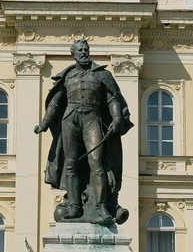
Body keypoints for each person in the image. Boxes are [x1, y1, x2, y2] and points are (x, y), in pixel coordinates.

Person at [35, 39, 133, 225]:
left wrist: (116, 118)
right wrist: (44, 124)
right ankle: (74, 206)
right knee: (70, 164)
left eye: (86, 49)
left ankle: (101, 206)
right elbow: (55, 103)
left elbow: (112, 99)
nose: (83, 52)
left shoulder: (102, 74)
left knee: (96, 162)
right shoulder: (67, 76)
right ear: (73, 54)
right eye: (79, 50)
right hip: (70, 120)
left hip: (92, 118)